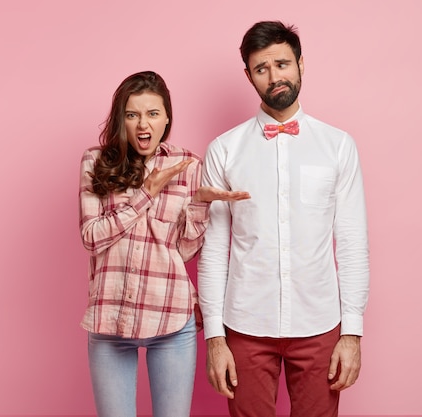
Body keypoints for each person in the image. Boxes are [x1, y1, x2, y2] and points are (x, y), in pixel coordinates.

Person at [198, 21, 370, 417]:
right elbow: (213, 251)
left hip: (320, 324)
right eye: (262, 68)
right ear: (249, 76)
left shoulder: (338, 146)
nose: (275, 76)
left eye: (282, 64)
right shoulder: (223, 150)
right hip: (244, 326)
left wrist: (352, 334)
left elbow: (352, 242)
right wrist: (216, 338)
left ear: (301, 64)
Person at [79, 71, 249, 417]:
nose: (144, 124)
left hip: (171, 317)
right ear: (120, 119)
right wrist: (146, 193)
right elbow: (91, 237)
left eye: (153, 114)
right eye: (133, 114)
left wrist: (200, 204)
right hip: (111, 318)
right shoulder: (96, 161)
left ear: (167, 118)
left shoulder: (186, 165)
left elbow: (183, 250)